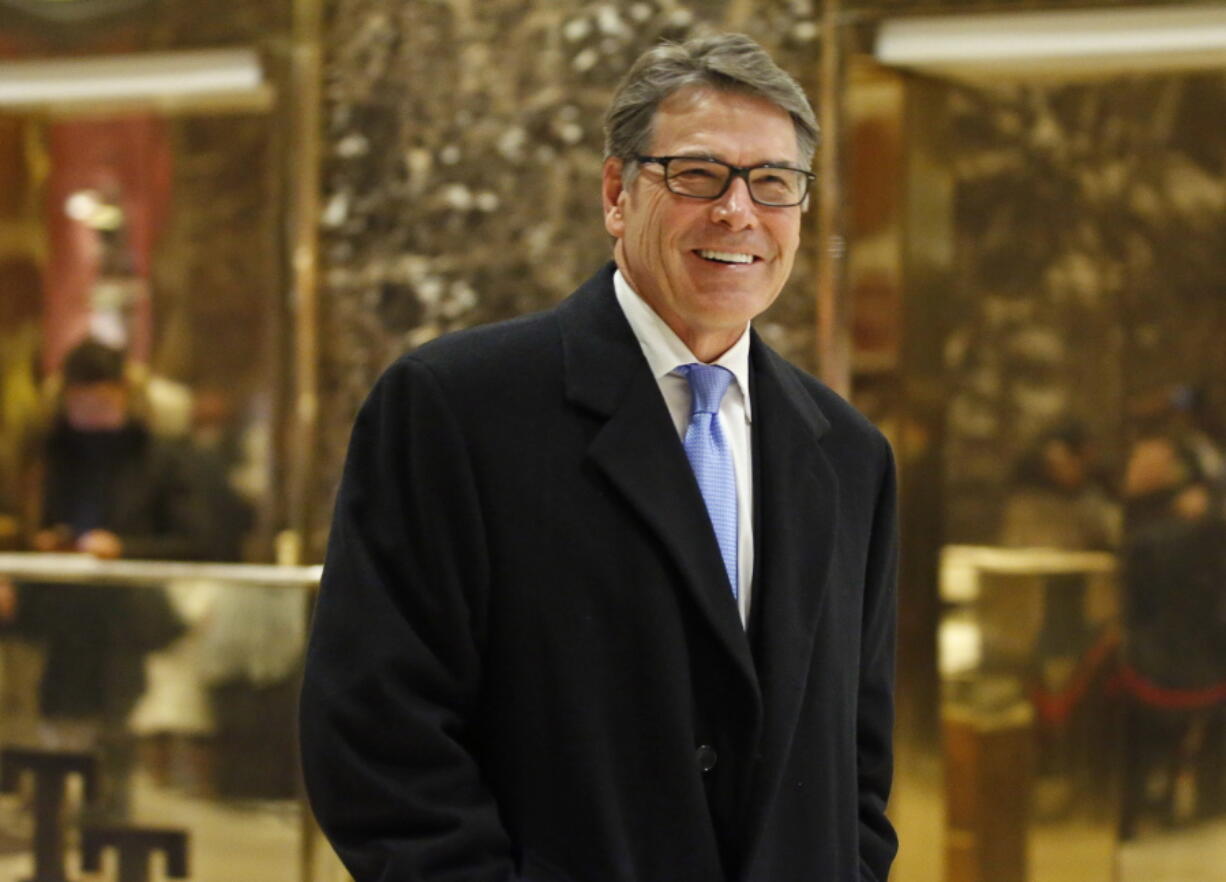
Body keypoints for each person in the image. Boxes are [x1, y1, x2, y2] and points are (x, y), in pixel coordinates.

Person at [300, 34, 899, 882]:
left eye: (773, 183)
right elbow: (375, 731)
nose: (738, 213)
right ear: (617, 193)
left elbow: (858, 759)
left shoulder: (849, 454)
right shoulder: (455, 408)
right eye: (697, 175)